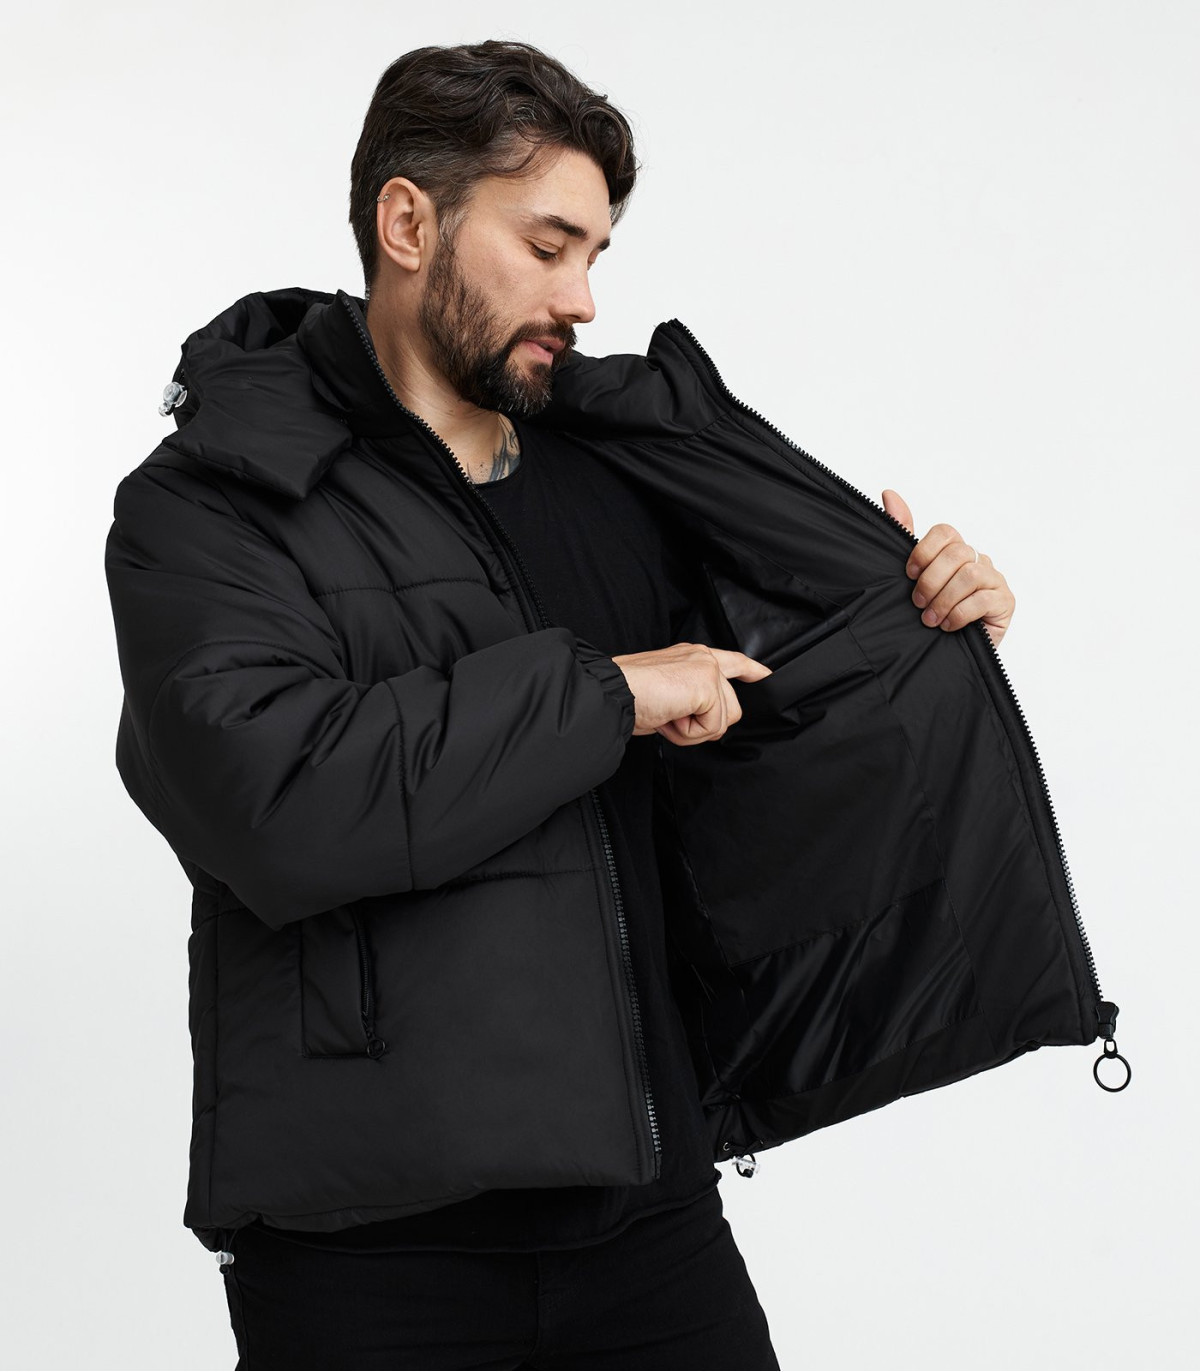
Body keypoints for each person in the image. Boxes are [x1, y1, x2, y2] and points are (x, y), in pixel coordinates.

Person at [106, 37, 1099, 1372]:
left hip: (650, 1220)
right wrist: (607, 693)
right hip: (367, 1254)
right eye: (547, 245)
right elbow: (273, 801)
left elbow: (747, 757)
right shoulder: (215, 503)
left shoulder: (622, 475)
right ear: (408, 224)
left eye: (597, 254)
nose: (581, 297)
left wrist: (915, 628)